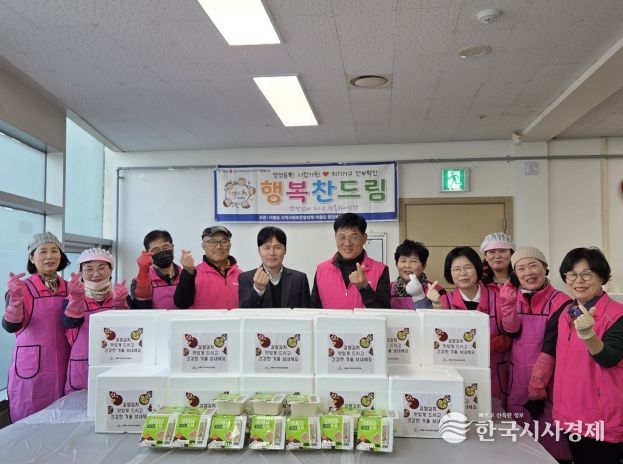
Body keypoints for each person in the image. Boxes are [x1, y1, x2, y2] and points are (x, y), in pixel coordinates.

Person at [499, 247, 572, 463]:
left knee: (550, 435)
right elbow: (512, 331)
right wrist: (508, 305)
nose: (528, 272)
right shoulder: (513, 297)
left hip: (549, 381)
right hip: (518, 379)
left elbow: (552, 345)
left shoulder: (561, 301)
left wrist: (539, 382)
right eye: (521, 268)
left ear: (545, 268)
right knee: (520, 437)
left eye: (533, 265)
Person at [553, 248, 623, 464]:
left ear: (602, 277)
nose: (578, 281)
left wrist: (589, 335)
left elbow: (610, 358)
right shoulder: (567, 313)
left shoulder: (617, 314)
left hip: (600, 417)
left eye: (586, 274)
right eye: (571, 275)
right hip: (570, 412)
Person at [426, 246, 511, 413]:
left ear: (478, 269)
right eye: (456, 269)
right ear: (450, 273)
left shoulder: (498, 298)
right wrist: (435, 308)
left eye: (467, 267)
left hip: (493, 374)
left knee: (493, 419)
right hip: (457, 374)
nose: (462, 273)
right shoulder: (444, 301)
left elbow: (510, 333)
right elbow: (437, 343)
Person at [2, 232, 70, 422]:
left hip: (65, 361)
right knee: (30, 418)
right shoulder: (20, 289)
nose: (50, 256)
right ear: (32, 258)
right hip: (31, 366)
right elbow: (10, 325)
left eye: (54, 251)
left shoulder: (71, 288)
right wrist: (16, 299)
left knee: (63, 418)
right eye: (43, 251)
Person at [63, 248, 129, 394]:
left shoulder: (121, 295)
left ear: (111, 270)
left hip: (116, 362)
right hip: (82, 366)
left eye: (102, 268)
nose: (96, 274)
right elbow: (69, 323)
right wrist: (76, 300)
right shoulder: (71, 298)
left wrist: (121, 304)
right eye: (89, 269)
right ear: (81, 272)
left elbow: (130, 330)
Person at [310, 213, 390, 309]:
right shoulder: (322, 270)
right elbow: (313, 310)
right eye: (342, 237)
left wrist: (364, 287)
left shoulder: (380, 270)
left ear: (364, 238)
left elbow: (385, 311)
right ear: (335, 238)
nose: (347, 243)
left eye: (353, 237)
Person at [480, 232, 516, 410]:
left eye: (502, 251)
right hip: (490, 352)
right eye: (492, 252)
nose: (497, 256)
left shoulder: (521, 281)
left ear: (511, 253)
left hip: (519, 348)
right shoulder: (479, 284)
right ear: (485, 256)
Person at [238, 226, 310, 308]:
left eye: (277, 247)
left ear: (285, 250)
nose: (272, 253)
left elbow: (306, 312)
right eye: (266, 247)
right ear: (259, 250)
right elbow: (245, 311)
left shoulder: (299, 279)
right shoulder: (246, 278)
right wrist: (258, 289)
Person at [173, 226, 242, 309]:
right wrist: (188, 273)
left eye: (224, 241)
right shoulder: (192, 275)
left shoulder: (241, 275)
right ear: (203, 246)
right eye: (212, 242)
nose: (219, 246)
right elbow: (181, 304)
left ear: (230, 245)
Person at [130, 230, 182, 309]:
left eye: (165, 247)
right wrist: (143, 272)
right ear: (147, 253)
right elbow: (141, 311)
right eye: (156, 250)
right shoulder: (137, 282)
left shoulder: (187, 276)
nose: (162, 252)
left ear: (172, 247)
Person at [390, 240, 442, 309]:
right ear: (396, 264)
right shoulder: (388, 289)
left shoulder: (434, 290)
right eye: (403, 261)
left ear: (423, 266)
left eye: (413, 261)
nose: (407, 266)